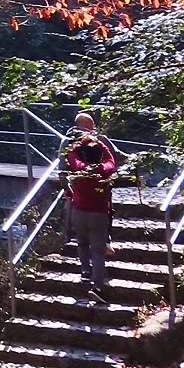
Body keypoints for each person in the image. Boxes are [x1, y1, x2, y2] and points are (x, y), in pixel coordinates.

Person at [64, 129, 117, 302]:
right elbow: (111, 158)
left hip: (78, 212)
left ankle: (85, 269)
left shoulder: (80, 167)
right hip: (99, 215)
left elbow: (71, 153)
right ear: (99, 155)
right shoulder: (105, 169)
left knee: (82, 242)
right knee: (98, 251)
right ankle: (98, 286)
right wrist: (98, 141)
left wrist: (82, 141)